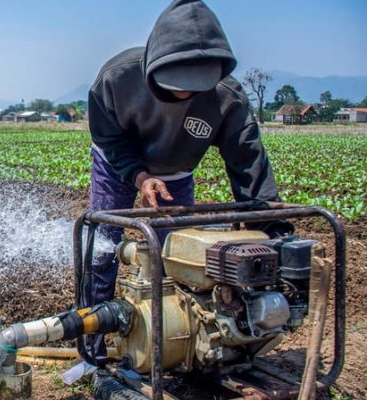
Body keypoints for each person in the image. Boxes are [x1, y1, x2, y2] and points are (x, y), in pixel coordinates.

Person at [86, 0, 292, 356]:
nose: (185, 94)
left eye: (196, 87)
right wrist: (139, 176)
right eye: (178, 84)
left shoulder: (228, 99)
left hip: (176, 172)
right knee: (100, 250)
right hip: (117, 165)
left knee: (176, 256)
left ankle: (171, 344)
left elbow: (248, 163)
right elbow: (110, 138)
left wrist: (274, 227)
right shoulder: (115, 78)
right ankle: (91, 343)